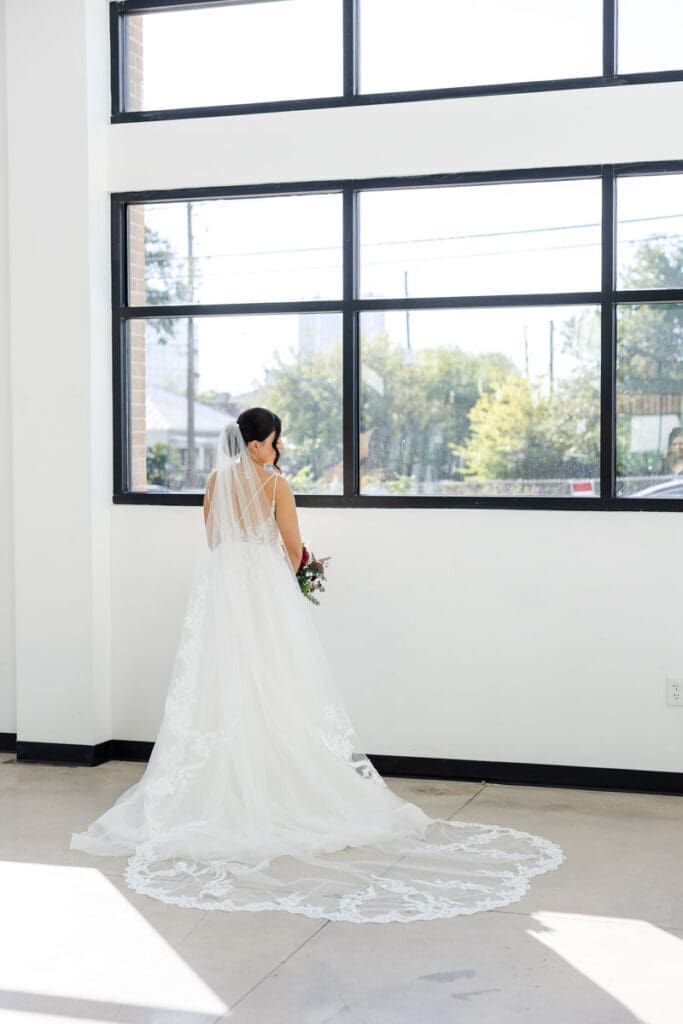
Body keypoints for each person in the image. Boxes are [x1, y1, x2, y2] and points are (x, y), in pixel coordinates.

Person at [70, 407, 564, 922]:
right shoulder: (275, 485)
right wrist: (297, 576)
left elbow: (214, 541)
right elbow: (289, 545)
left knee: (226, 680)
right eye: (275, 441)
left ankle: (231, 785)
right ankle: (280, 783)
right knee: (280, 681)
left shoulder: (217, 479)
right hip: (263, 589)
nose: (278, 449)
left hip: (226, 592)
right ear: (257, 444)